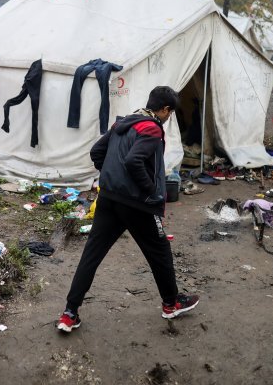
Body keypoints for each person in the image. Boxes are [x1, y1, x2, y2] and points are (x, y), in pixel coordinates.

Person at [57, 86, 200, 333]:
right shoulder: (151, 128)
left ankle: (70, 313)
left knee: (91, 254)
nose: (168, 118)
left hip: (109, 198)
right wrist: (151, 191)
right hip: (137, 205)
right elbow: (134, 161)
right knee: (160, 250)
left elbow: (96, 152)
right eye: (170, 113)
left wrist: (112, 176)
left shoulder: (123, 123)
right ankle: (171, 303)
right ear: (165, 109)